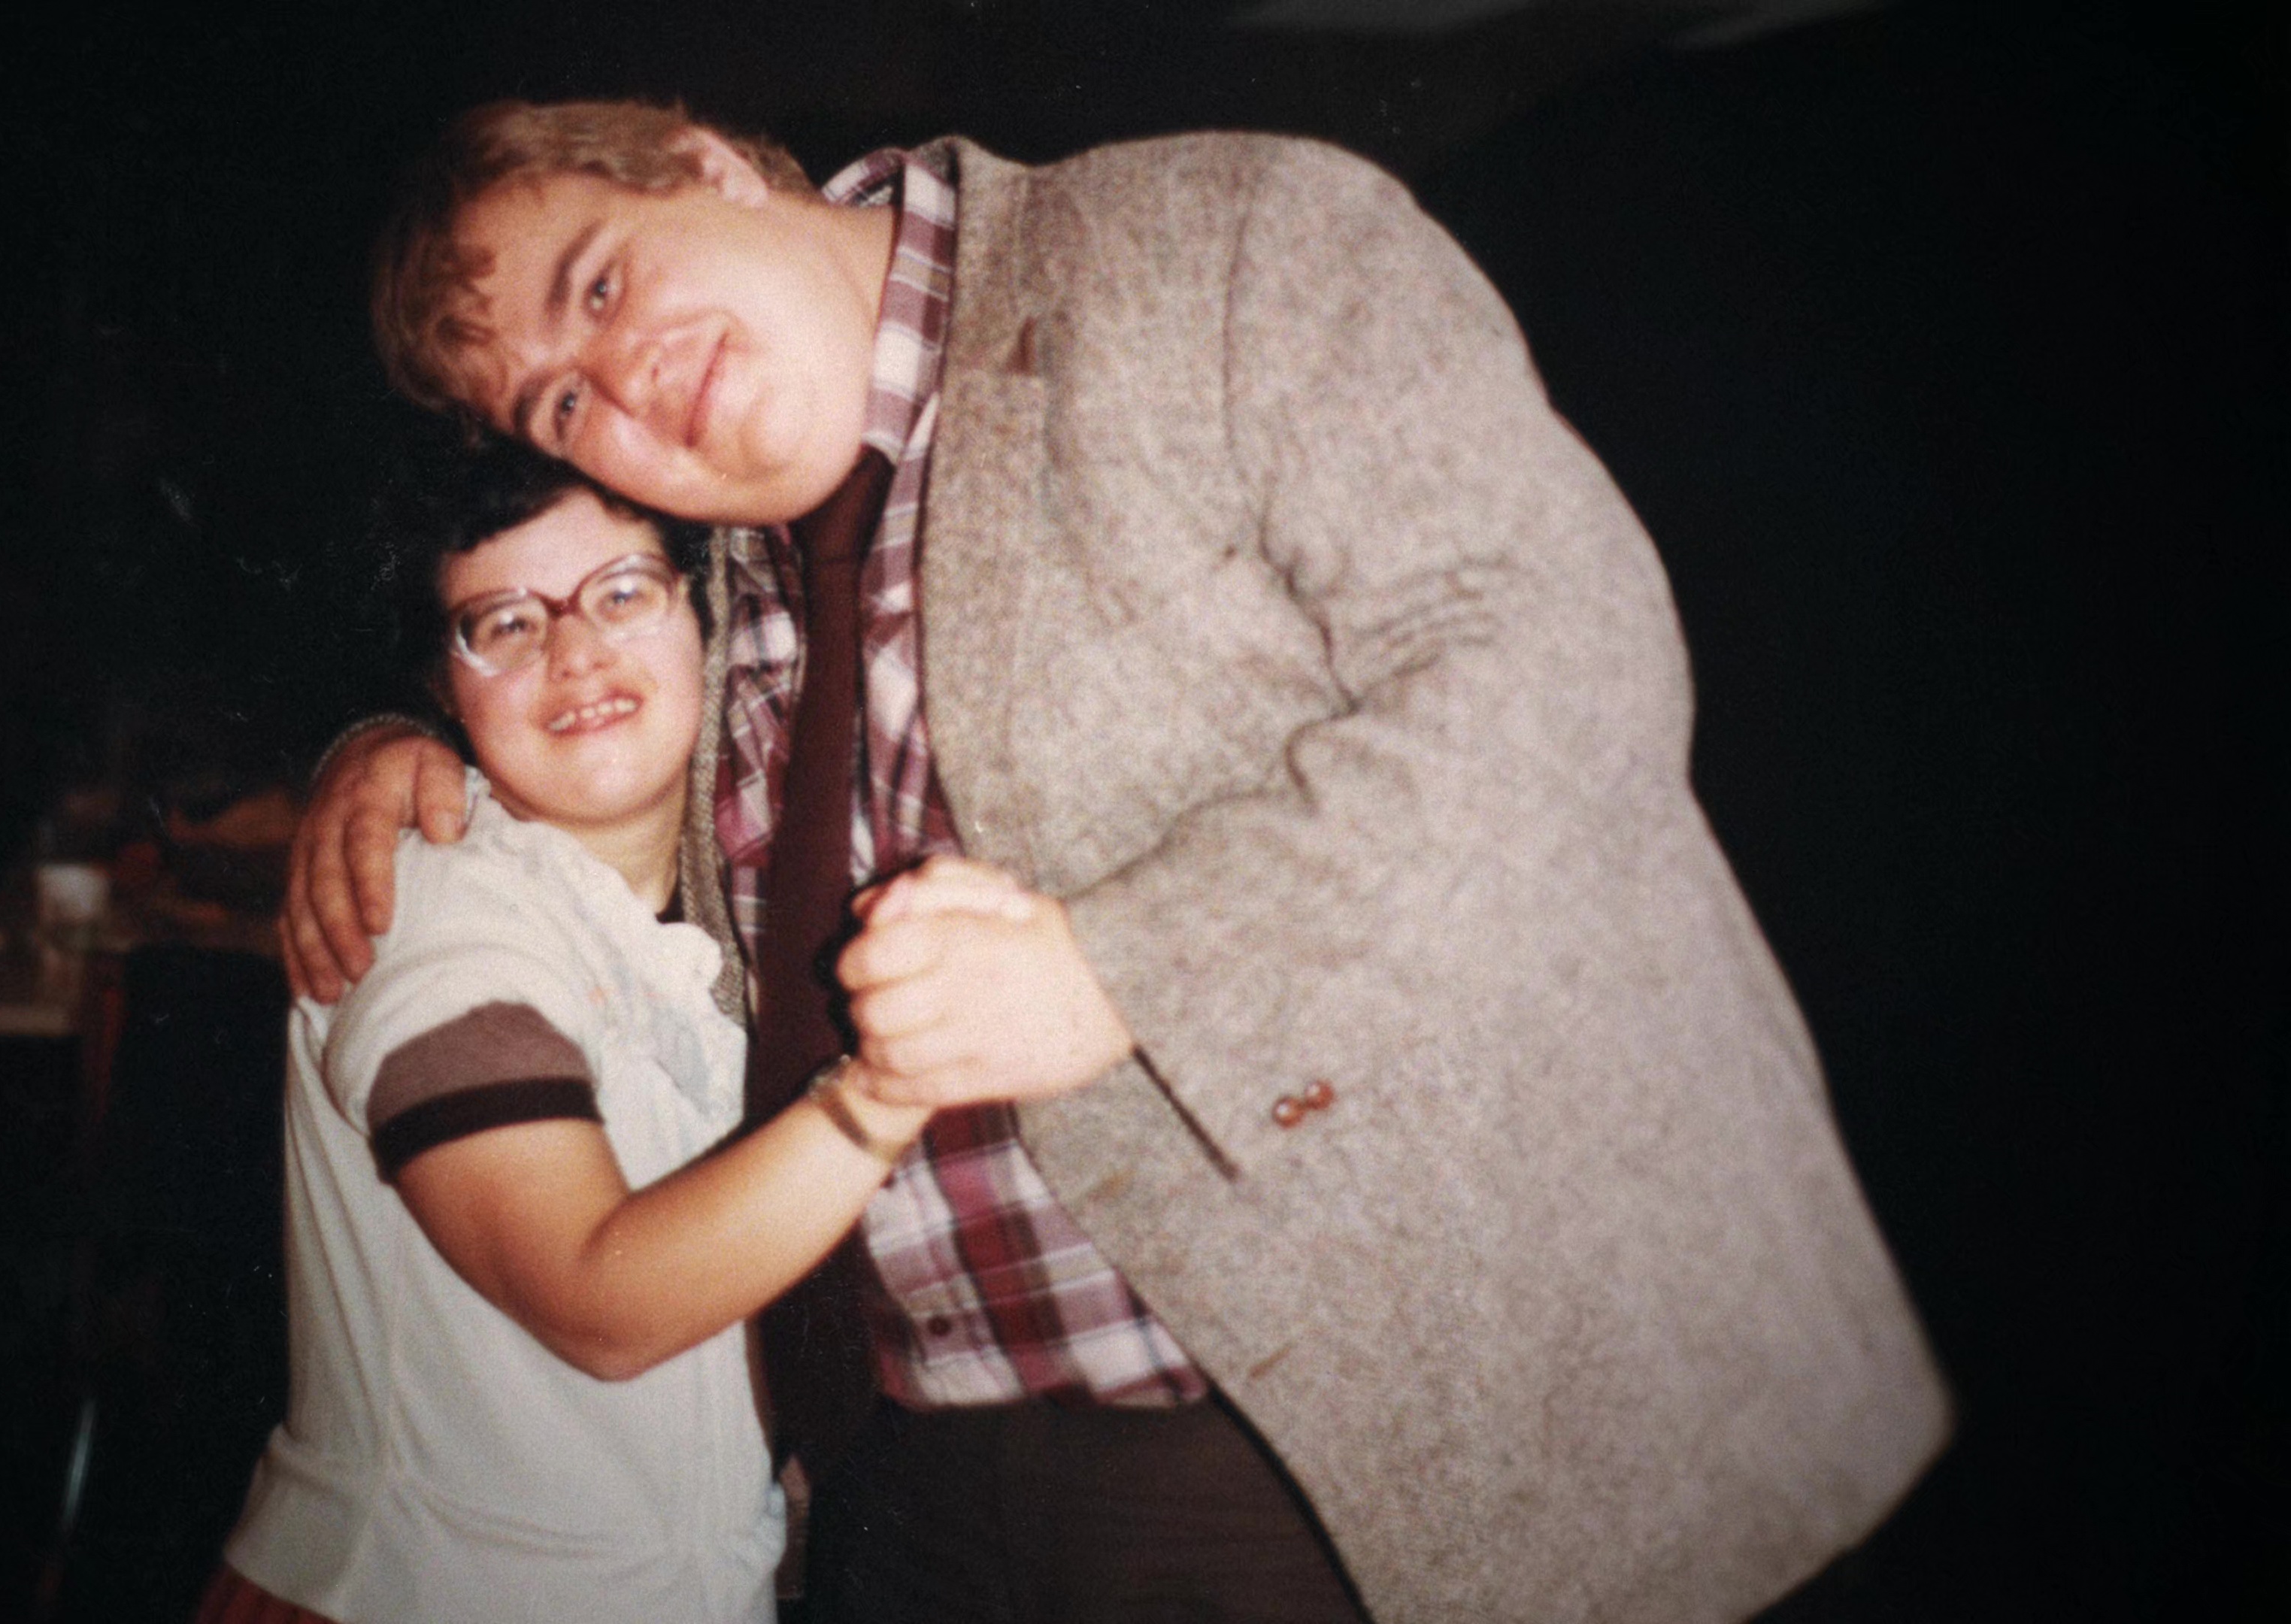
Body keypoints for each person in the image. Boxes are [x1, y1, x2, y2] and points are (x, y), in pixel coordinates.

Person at [284, 99, 1950, 1622]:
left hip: (1368, 1446)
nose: (624, 383)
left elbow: (1556, 665)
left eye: (599, 285)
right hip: (912, 1501)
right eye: (563, 402)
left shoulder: (1213, 242)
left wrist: (1122, 967)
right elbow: (579, 717)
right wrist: (397, 747)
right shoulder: (713, 563)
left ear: (707, 165)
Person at [210, 443, 959, 1624]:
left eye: (621, 594)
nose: (573, 653)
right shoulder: (437, 909)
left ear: (705, 620)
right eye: (506, 624)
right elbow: (600, 1304)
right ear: (446, 685)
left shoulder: (704, 917)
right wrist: (903, 1078)